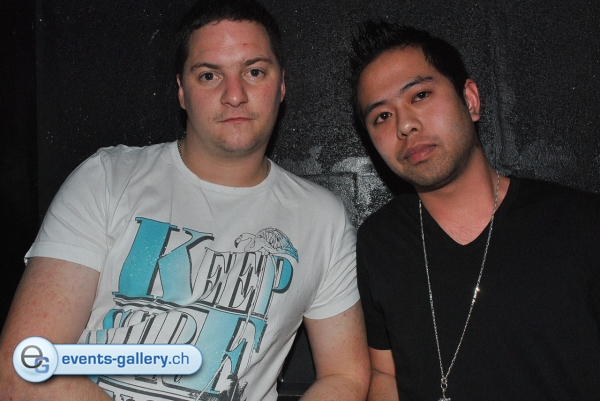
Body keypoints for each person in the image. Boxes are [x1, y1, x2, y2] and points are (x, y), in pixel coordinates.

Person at [0, 1, 371, 400]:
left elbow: (345, 375)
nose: (234, 95)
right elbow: (23, 369)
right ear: (181, 91)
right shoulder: (107, 178)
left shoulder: (322, 219)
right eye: (210, 75)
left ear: (281, 86)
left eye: (254, 72)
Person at [350, 21, 600, 401]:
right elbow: (386, 373)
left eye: (420, 95)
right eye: (381, 116)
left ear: (470, 100)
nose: (405, 125)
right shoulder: (379, 241)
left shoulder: (580, 223)